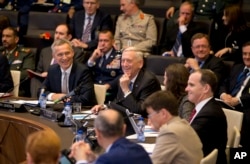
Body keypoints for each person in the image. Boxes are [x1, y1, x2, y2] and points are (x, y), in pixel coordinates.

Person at [91, 47, 161, 117]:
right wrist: (104, 107)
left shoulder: (149, 81)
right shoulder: (124, 77)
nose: (125, 65)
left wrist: (126, 89)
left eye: (129, 61)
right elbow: (119, 101)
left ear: (140, 63)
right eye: (123, 61)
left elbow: (140, 110)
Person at [69, 109, 152, 164]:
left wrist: (81, 159)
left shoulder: (107, 160)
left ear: (97, 133)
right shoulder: (140, 150)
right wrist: (94, 159)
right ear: (124, 128)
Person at [143, 90, 203, 164]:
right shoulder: (184, 124)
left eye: (150, 114)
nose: (150, 119)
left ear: (163, 113)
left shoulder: (169, 132)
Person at [30, 23, 85, 98]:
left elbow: (75, 70)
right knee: (35, 79)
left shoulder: (77, 52)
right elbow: (39, 71)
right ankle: (36, 102)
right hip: (47, 81)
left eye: (61, 33)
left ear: (69, 37)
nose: (57, 36)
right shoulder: (45, 51)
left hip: (65, 80)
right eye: (56, 33)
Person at [185, 69, 227, 164]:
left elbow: (186, 141)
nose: (186, 89)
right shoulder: (205, 107)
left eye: (191, 85)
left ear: (206, 88)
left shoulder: (209, 114)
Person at [42, 38, 96, 105]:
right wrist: (53, 96)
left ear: (73, 53)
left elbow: (86, 98)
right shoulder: (52, 70)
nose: (64, 57)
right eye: (60, 54)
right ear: (54, 56)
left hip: (81, 110)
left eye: (67, 53)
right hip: (59, 109)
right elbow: (41, 91)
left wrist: (64, 98)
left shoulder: (83, 71)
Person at [219, 41, 250, 155]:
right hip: (226, 104)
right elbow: (223, 84)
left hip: (245, 108)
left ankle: (238, 156)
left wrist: (238, 100)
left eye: (249, 54)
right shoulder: (237, 68)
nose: (247, 57)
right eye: (244, 54)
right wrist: (223, 95)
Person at [0, 26, 35, 96]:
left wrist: (7, 77)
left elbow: (27, 73)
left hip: (18, 89)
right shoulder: (0, 52)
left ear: (16, 39)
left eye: (8, 36)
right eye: (3, 36)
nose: (4, 39)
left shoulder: (26, 53)